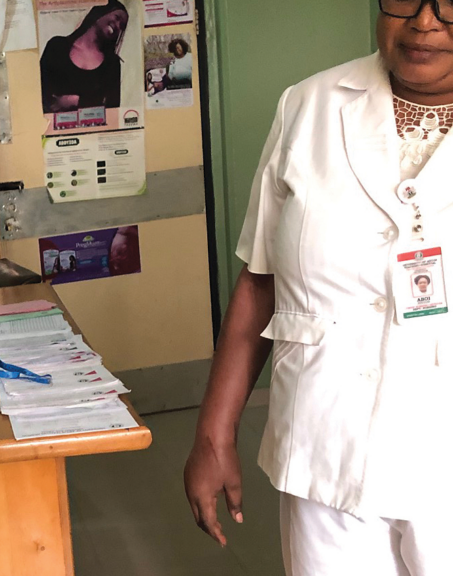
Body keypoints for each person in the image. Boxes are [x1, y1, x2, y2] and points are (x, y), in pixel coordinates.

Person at [184, 2, 453, 574]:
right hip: (328, 439)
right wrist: (214, 433)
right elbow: (261, 279)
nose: (423, 21)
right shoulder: (309, 105)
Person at [40, 1, 129, 114]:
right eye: (117, 17)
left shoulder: (112, 64)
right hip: (53, 128)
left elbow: (112, 111)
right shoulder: (56, 46)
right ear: (100, 12)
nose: (117, 25)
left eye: (121, 25)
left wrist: (74, 101)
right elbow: (38, 90)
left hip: (94, 130)